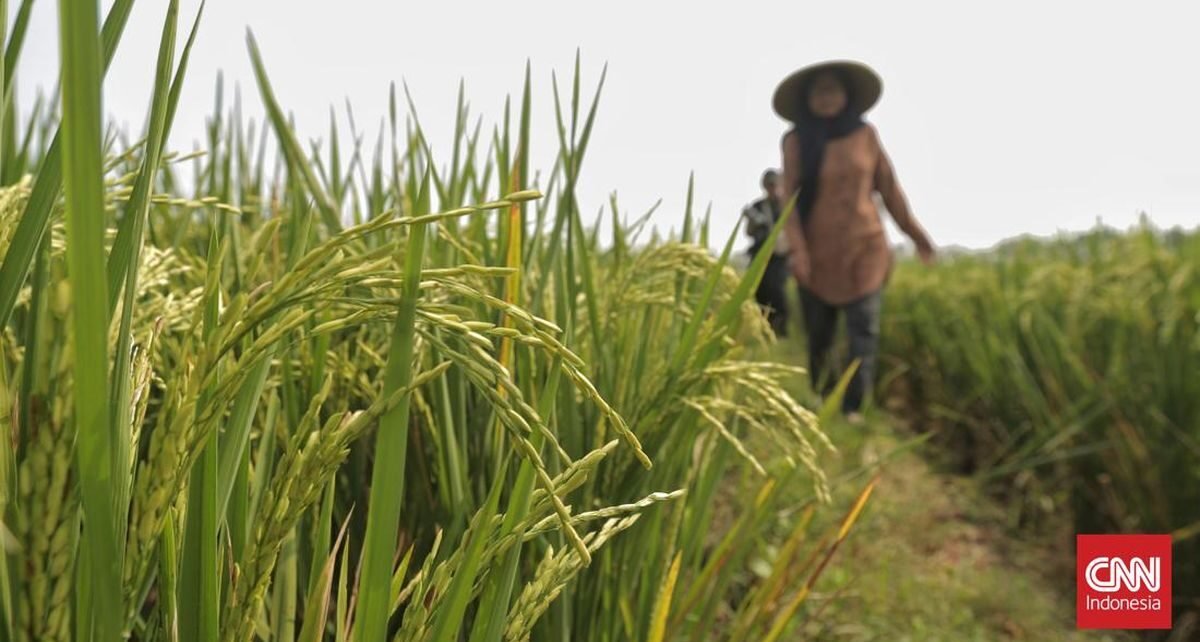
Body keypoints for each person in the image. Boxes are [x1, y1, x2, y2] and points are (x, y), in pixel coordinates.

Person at [772, 60, 935, 422]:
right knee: (820, 333)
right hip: (817, 251)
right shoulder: (796, 141)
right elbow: (789, 202)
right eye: (818, 91)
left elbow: (890, 190)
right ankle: (822, 395)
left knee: (864, 330)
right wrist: (798, 250)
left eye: (833, 89)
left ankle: (853, 408)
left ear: (846, 95)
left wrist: (918, 236)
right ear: (807, 99)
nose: (826, 97)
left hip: (865, 247)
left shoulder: (866, 135)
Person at [741, 169, 791, 336]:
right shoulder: (759, 207)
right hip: (762, 258)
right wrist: (754, 223)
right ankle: (765, 330)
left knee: (781, 295)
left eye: (775, 185)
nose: (772, 189)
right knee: (761, 294)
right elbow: (749, 232)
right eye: (769, 185)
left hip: (781, 260)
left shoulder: (786, 206)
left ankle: (781, 331)